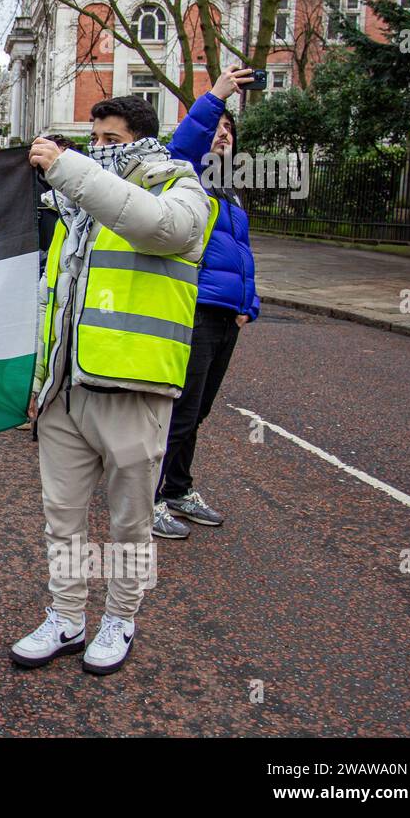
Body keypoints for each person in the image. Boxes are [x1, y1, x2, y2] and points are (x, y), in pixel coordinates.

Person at [9, 95, 213, 677]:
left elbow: (158, 228)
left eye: (110, 140)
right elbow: (54, 299)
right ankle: (67, 614)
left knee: (130, 522)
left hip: (132, 385)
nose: (99, 149)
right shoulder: (76, 208)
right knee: (63, 517)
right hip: (66, 390)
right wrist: (39, 379)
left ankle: (120, 617)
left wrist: (72, 168)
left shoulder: (181, 187)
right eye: (93, 140)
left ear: (144, 139)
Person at [152, 66, 261, 539]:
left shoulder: (231, 191)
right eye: (217, 129)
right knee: (177, 408)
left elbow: (243, 255)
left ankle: (178, 487)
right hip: (193, 308)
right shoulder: (188, 177)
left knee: (199, 411)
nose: (221, 135)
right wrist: (216, 97)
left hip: (225, 316)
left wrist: (248, 303)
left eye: (227, 130)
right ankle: (149, 497)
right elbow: (183, 144)